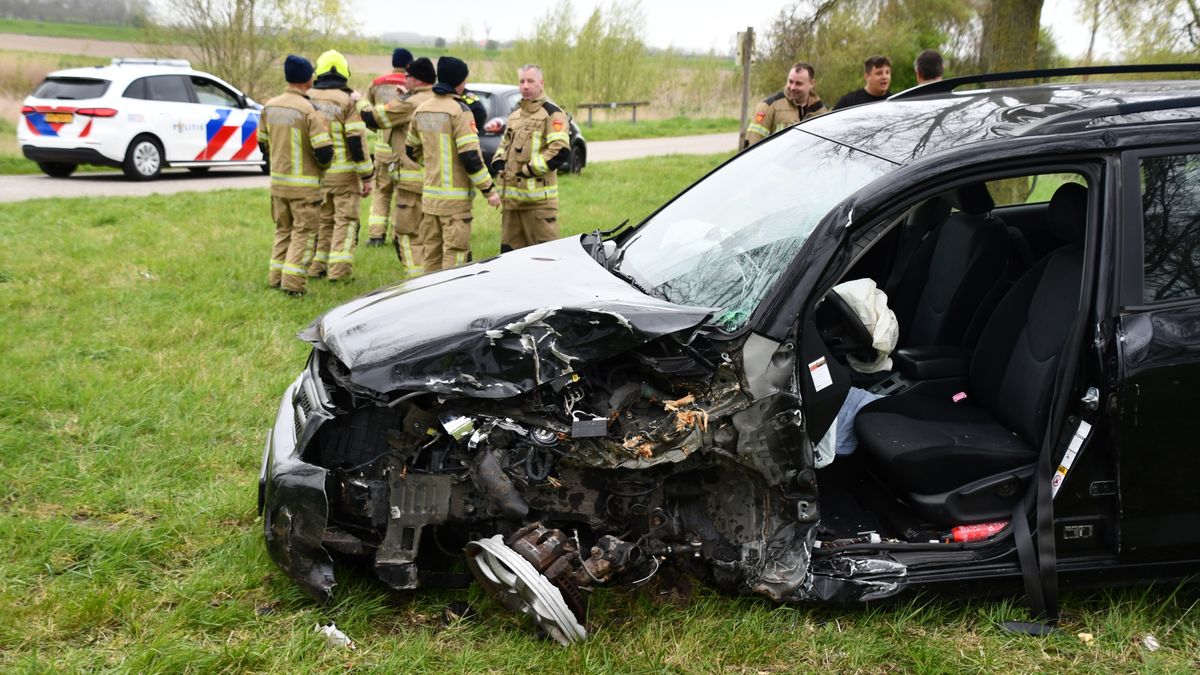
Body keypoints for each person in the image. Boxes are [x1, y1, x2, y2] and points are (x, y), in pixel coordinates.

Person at [405, 56, 500, 272]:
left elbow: (410, 149)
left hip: (430, 201)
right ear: (459, 81)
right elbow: (470, 157)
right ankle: (450, 295)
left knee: (431, 255)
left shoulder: (422, 109)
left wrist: (433, 163)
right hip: (455, 205)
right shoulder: (460, 111)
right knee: (455, 258)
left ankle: (430, 293)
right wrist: (489, 190)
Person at [258, 55, 332, 296]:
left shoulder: (270, 106)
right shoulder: (309, 110)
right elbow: (324, 150)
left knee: (283, 231)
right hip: (305, 189)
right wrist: (322, 167)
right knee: (303, 234)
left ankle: (275, 278)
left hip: (279, 185)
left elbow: (262, 143)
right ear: (307, 79)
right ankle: (292, 285)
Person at [361, 57, 436, 275]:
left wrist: (359, 101)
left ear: (418, 80)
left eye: (408, 76)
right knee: (430, 234)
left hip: (411, 180)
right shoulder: (436, 99)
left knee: (407, 233)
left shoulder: (409, 103)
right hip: (435, 180)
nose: (404, 79)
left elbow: (375, 119)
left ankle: (418, 280)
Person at [307, 50, 373, 281]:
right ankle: (339, 272)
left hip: (317, 174)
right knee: (345, 222)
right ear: (344, 72)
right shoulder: (348, 101)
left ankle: (317, 266)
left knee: (323, 221)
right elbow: (356, 140)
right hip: (344, 176)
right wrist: (367, 175)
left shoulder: (307, 98)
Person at [491, 64, 571, 252]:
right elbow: (504, 144)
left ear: (541, 83)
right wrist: (499, 161)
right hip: (511, 205)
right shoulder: (515, 115)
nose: (525, 86)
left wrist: (528, 170)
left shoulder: (552, 113)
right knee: (510, 258)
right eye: (522, 81)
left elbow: (560, 150)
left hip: (538, 206)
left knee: (544, 258)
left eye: (530, 81)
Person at [363, 48, 412, 247]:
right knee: (402, 194)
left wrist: (378, 130)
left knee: (381, 193)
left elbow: (368, 115)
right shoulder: (412, 85)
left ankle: (376, 236)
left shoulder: (376, 84)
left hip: (382, 149)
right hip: (403, 151)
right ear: (409, 65)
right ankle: (397, 236)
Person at [744, 62, 828, 148]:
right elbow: (752, 146)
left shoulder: (821, 111)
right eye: (790, 82)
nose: (792, 87)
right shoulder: (768, 107)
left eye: (798, 83)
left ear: (812, 83)